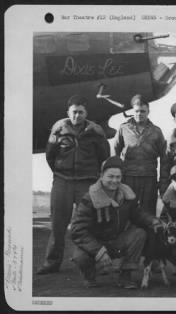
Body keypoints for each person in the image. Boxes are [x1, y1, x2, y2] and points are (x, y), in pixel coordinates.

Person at [37, 95, 110, 275]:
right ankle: (52, 263)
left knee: (88, 224)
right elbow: (50, 155)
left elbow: (104, 156)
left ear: (86, 113)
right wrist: (61, 172)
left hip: (86, 183)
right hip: (63, 181)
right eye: (74, 112)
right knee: (58, 224)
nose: (77, 116)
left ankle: (92, 263)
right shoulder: (58, 129)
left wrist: (93, 177)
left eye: (81, 112)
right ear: (68, 112)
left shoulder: (96, 132)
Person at [70, 156, 163, 288]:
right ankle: (89, 275)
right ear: (101, 175)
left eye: (118, 177)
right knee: (81, 256)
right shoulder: (89, 198)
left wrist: (153, 221)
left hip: (116, 241)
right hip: (95, 243)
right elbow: (77, 230)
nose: (115, 181)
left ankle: (126, 276)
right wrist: (99, 251)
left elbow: (138, 214)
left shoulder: (126, 194)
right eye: (110, 176)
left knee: (139, 234)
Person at [113, 94, 168, 216]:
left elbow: (164, 158)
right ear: (132, 111)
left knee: (147, 212)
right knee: (126, 211)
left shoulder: (156, 131)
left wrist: (163, 180)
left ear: (148, 112)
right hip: (128, 177)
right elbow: (114, 153)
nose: (139, 114)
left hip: (149, 178)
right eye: (136, 111)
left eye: (143, 111)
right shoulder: (123, 128)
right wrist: (116, 177)